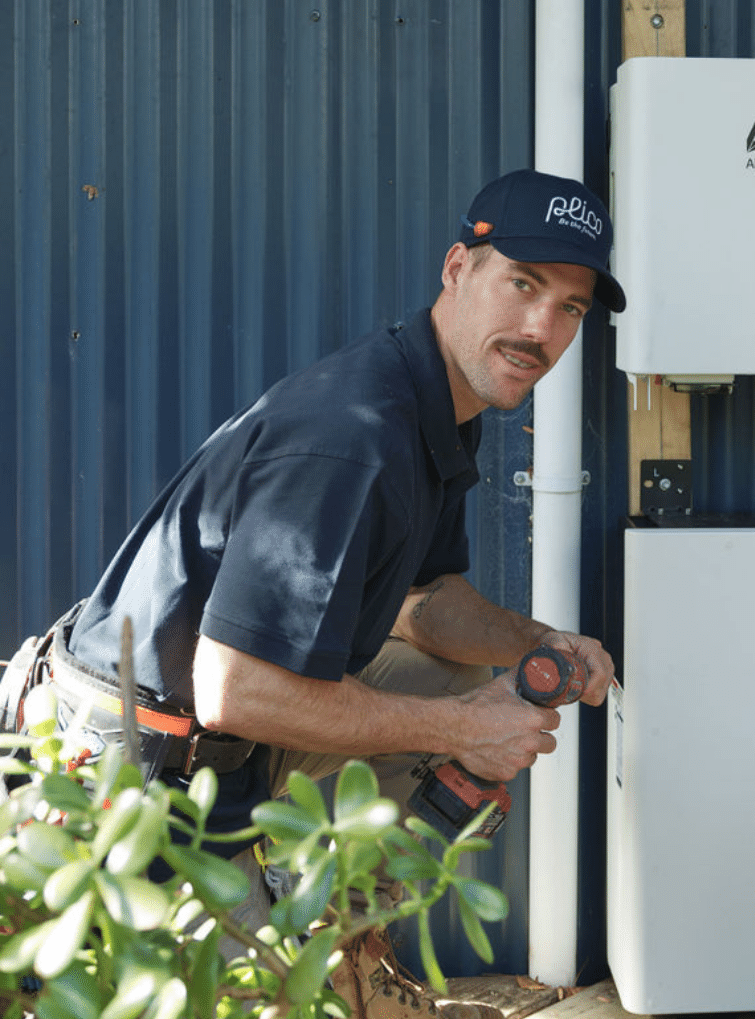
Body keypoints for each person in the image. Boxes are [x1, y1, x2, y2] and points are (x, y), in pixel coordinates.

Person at [1, 169, 626, 1019]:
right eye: (524, 284)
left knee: (474, 689)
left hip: (225, 736)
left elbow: (426, 601)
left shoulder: (438, 403)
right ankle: (289, 965)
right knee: (259, 1000)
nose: (540, 329)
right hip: (141, 766)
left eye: (571, 309)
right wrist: (464, 727)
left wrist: (536, 645)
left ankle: (339, 942)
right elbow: (234, 687)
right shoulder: (355, 436)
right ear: (458, 269)